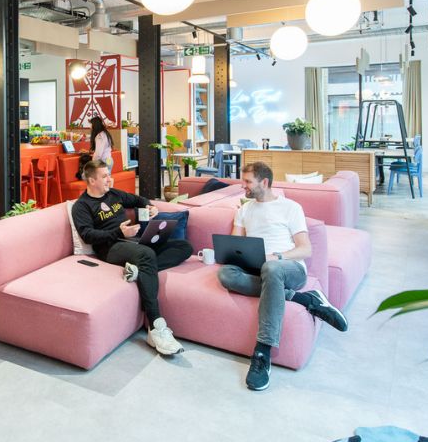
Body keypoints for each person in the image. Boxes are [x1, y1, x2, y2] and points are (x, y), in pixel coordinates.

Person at [218, 162, 348, 391]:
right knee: (226, 274)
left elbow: (305, 249)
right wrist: (232, 254)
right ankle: (306, 300)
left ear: (264, 182)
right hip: (258, 268)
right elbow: (235, 245)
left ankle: (262, 351)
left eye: (247, 181)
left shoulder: (290, 208)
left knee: (271, 269)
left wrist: (275, 257)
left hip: (289, 267)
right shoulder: (244, 210)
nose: (243, 186)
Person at [71, 159, 193, 356]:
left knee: (184, 246)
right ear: (92, 180)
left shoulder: (114, 195)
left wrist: (150, 205)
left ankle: (139, 271)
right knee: (147, 254)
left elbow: (138, 200)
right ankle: (156, 327)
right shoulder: (82, 206)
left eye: (108, 175)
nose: (109, 179)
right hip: (110, 248)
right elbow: (88, 235)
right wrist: (119, 233)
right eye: (104, 176)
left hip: (129, 242)